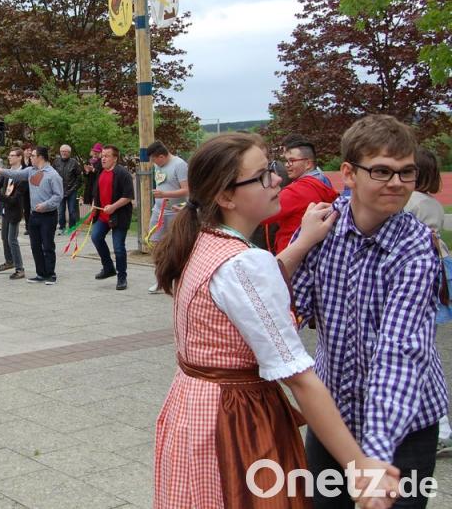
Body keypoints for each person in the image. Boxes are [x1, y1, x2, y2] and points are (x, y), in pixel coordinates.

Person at [152, 132, 399, 509]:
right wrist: (359, 466)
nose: (278, 178)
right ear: (226, 196)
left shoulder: (205, 240)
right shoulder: (243, 263)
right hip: (234, 418)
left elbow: (243, 294)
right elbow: (299, 377)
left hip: (194, 405)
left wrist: (301, 244)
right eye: (264, 174)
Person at [292, 115, 448, 508]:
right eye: (381, 171)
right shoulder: (320, 227)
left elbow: (400, 350)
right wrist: (299, 247)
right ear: (349, 173)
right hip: (334, 417)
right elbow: (289, 308)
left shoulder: (415, 245)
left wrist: (374, 457)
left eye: (406, 172)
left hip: (404, 426)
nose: (396, 183)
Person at [404, 147, 451, 457]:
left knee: (421, 351)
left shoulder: (417, 204)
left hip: (425, 277)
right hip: (426, 276)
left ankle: (442, 428)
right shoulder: (425, 203)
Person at [0, 146, 63, 285]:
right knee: (35, 245)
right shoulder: (31, 171)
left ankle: (50, 274)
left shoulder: (53, 175)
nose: (30, 158)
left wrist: (45, 205)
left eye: (33, 156)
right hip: (34, 215)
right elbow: (15, 175)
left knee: (47, 245)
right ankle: (40, 274)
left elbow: (58, 196)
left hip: (48, 215)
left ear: (40, 157)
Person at [261, 136, 338, 253]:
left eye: (291, 161)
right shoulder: (322, 181)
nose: (287, 165)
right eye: (286, 161)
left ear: (307, 163)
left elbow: (262, 215)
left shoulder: (298, 191)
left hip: (291, 252)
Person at [89, 145, 136, 291]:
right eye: (102, 155)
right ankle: (108, 267)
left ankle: (122, 277)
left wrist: (114, 206)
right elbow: (97, 192)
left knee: (118, 248)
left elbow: (128, 197)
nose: (103, 158)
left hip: (119, 216)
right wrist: (93, 204)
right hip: (102, 215)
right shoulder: (100, 172)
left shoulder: (123, 173)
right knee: (96, 237)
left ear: (115, 158)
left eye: (107, 156)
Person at [146, 140, 189, 293]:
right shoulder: (158, 165)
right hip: (158, 211)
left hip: (175, 212)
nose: (153, 162)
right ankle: (160, 280)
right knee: (155, 244)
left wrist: (165, 194)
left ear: (162, 156)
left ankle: (179, 280)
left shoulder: (180, 165)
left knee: (176, 246)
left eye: (154, 159)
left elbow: (186, 190)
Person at [0, 147, 28, 280]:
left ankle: (20, 268)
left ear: (19, 157)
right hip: (5, 209)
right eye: (9, 155)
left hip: (15, 210)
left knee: (12, 239)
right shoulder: (7, 172)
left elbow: (15, 199)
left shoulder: (23, 175)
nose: (9, 157)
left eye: (12, 155)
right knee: (4, 238)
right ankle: (9, 261)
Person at [52, 144, 82, 233]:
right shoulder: (56, 162)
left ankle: (72, 228)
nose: (64, 153)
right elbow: (52, 175)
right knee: (61, 211)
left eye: (66, 151)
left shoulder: (74, 162)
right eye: (62, 151)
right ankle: (62, 227)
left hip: (72, 190)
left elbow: (79, 178)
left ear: (69, 153)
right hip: (59, 190)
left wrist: (73, 188)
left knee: (72, 210)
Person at [82, 143, 103, 208]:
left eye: (97, 152)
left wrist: (93, 169)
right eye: (94, 151)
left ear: (100, 152)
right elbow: (85, 175)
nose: (95, 153)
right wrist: (87, 171)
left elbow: (101, 172)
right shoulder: (90, 160)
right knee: (91, 204)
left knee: (97, 204)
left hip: (97, 184)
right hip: (90, 185)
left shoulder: (102, 161)